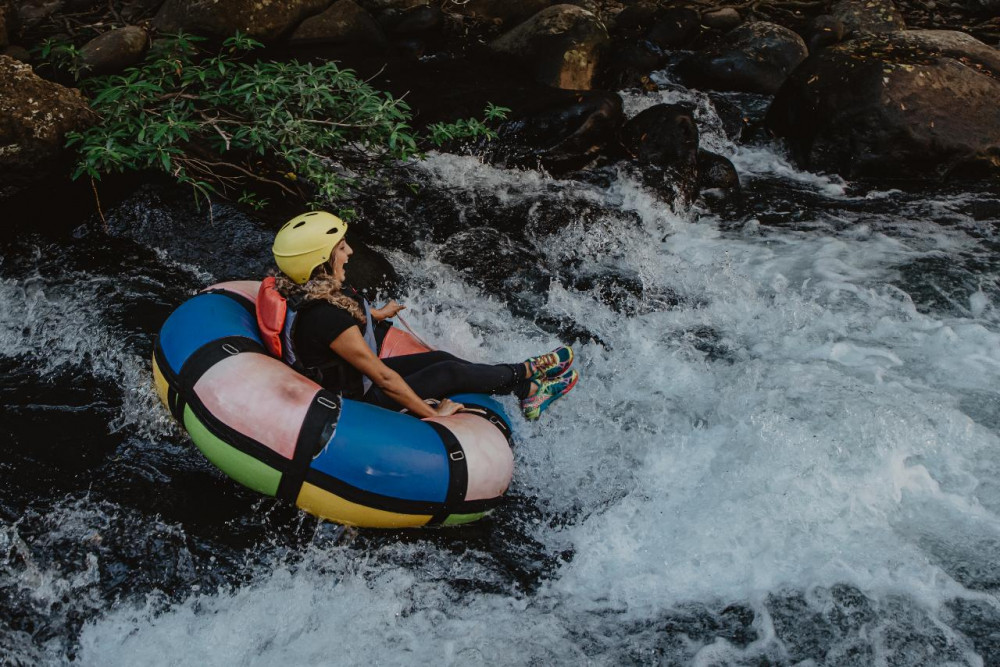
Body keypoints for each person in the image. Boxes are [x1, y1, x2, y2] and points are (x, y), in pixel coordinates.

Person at [257, 211, 579, 421]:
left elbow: (345, 324)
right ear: (320, 261)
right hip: (357, 404)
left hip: (356, 382)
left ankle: (526, 389)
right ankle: (527, 373)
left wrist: (379, 314)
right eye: (341, 248)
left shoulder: (313, 291)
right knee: (450, 373)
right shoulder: (326, 317)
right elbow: (383, 378)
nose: (350, 252)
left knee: (438, 357)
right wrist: (433, 412)